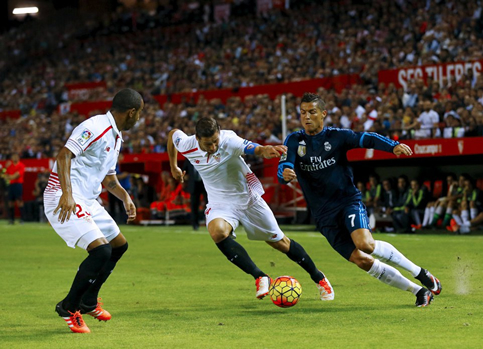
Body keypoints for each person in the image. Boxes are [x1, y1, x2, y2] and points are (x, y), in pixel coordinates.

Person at [277, 92, 442, 307]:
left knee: (366, 244)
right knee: (360, 260)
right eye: (302, 113)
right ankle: (418, 291)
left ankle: (421, 273)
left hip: (347, 202)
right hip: (323, 215)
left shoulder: (338, 137)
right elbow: (283, 166)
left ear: (323, 114)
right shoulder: (294, 140)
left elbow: (368, 138)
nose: (306, 117)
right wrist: (285, 173)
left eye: (312, 112)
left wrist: (393, 146)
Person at [167, 117, 334, 301]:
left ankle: (319, 278)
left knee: (281, 243)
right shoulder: (186, 144)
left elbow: (254, 148)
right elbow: (173, 134)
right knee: (217, 233)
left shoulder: (229, 140)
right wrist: (173, 166)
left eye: (215, 141)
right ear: (197, 138)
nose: (213, 147)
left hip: (249, 199)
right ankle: (260, 276)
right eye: (208, 144)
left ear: (219, 133)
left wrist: (265, 150)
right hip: (220, 203)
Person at [43, 88, 143, 333]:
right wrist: (67, 194)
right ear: (131, 112)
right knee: (101, 251)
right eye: (139, 113)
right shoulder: (96, 126)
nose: (139, 118)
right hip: (63, 195)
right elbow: (64, 156)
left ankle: (88, 301)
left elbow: (108, 179)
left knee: (119, 246)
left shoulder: (116, 136)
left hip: (86, 199)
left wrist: (125, 196)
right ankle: (69, 307)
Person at [183, 158, 207, 230]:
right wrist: (185, 177)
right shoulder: (189, 158)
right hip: (194, 184)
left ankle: (210, 222)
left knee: (209, 204)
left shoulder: (205, 157)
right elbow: (184, 170)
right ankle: (195, 224)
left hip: (205, 184)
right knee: (194, 205)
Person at [4, 153, 26, 224]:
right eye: (13, 156)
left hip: (18, 185)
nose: (15, 158)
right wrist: (8, 174)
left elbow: (15, 176)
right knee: (11, 202)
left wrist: (9, 177)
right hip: (11, 185)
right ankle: (11, 219)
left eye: (16, 156)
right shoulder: (10, 166)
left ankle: (22, 219)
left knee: (19, 202)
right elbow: (4, 175)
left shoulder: (21, 165)